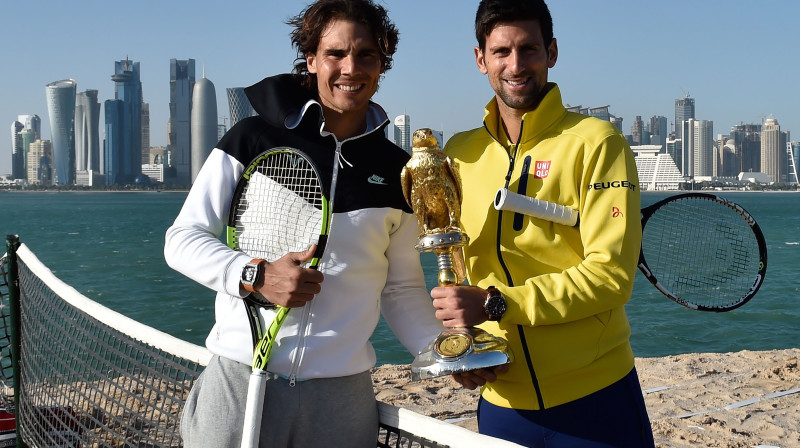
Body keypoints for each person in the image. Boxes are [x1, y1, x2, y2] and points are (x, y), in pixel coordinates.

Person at [164, 1, 442, 447]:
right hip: (239, 379)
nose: (351, 67)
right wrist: (254, 276)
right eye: (335, 53)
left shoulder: (399, 171)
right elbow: (181, 239)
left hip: (342, 396)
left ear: (381, 64)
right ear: (311, 59)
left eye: (367, 54)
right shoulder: (251, 138)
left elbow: (401, 288)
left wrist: (441, 353)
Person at [430, 0, 656, 447]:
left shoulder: (597, 143)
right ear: (481, 59)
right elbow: (458, 267)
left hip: (596, 397)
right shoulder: (458, 153)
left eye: (529, 49)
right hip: (501, 403)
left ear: (551, 52)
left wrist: (496, 304)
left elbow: (611, 276)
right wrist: (464, 346)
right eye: (501, 52)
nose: (516, 65)